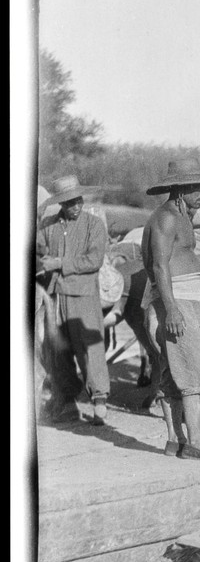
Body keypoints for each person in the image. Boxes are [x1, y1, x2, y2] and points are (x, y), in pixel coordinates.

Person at [141, 159, 200, 460]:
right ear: (179, 189)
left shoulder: (180, 217)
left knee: (174, 372)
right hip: (176, 303)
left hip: (185, 299)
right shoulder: (166, 218)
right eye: (196, 187)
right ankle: (196, 441)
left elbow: (179, 260)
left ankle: (174, 441)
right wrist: (172, 310)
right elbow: (158, 265)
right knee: (196, 370)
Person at [35, 175, 111, 425]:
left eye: (78, 200)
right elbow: (37, 250)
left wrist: (60, 263)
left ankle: (99, 400)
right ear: (61, 204)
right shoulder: (49, 226)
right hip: (56, 296)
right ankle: (68, 403)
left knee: (90, 348)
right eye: (69, 203)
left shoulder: (94, 225)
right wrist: (42, 261)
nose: (76, 206)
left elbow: (94, 260)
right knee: (58, 350)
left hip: (83, 295)